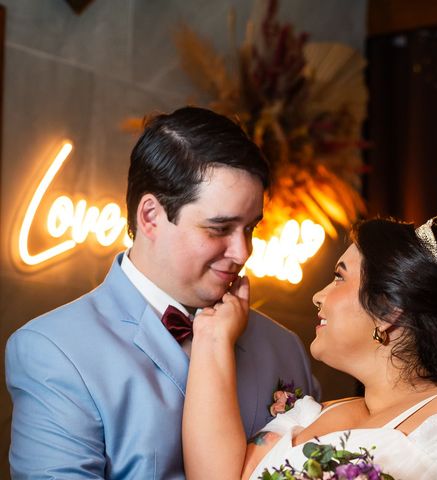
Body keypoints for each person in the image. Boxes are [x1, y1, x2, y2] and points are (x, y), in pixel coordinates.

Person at [5, 106, 319, 479]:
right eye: (220, 228)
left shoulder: (284, 347)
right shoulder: (54, 350)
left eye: (250, 229)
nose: (243, 252)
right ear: (151, 216)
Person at [183, 215, 437, 479]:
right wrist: (214, 338)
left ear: (389, 309)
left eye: (340, 277)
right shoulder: (316, 413)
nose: (318, 296)